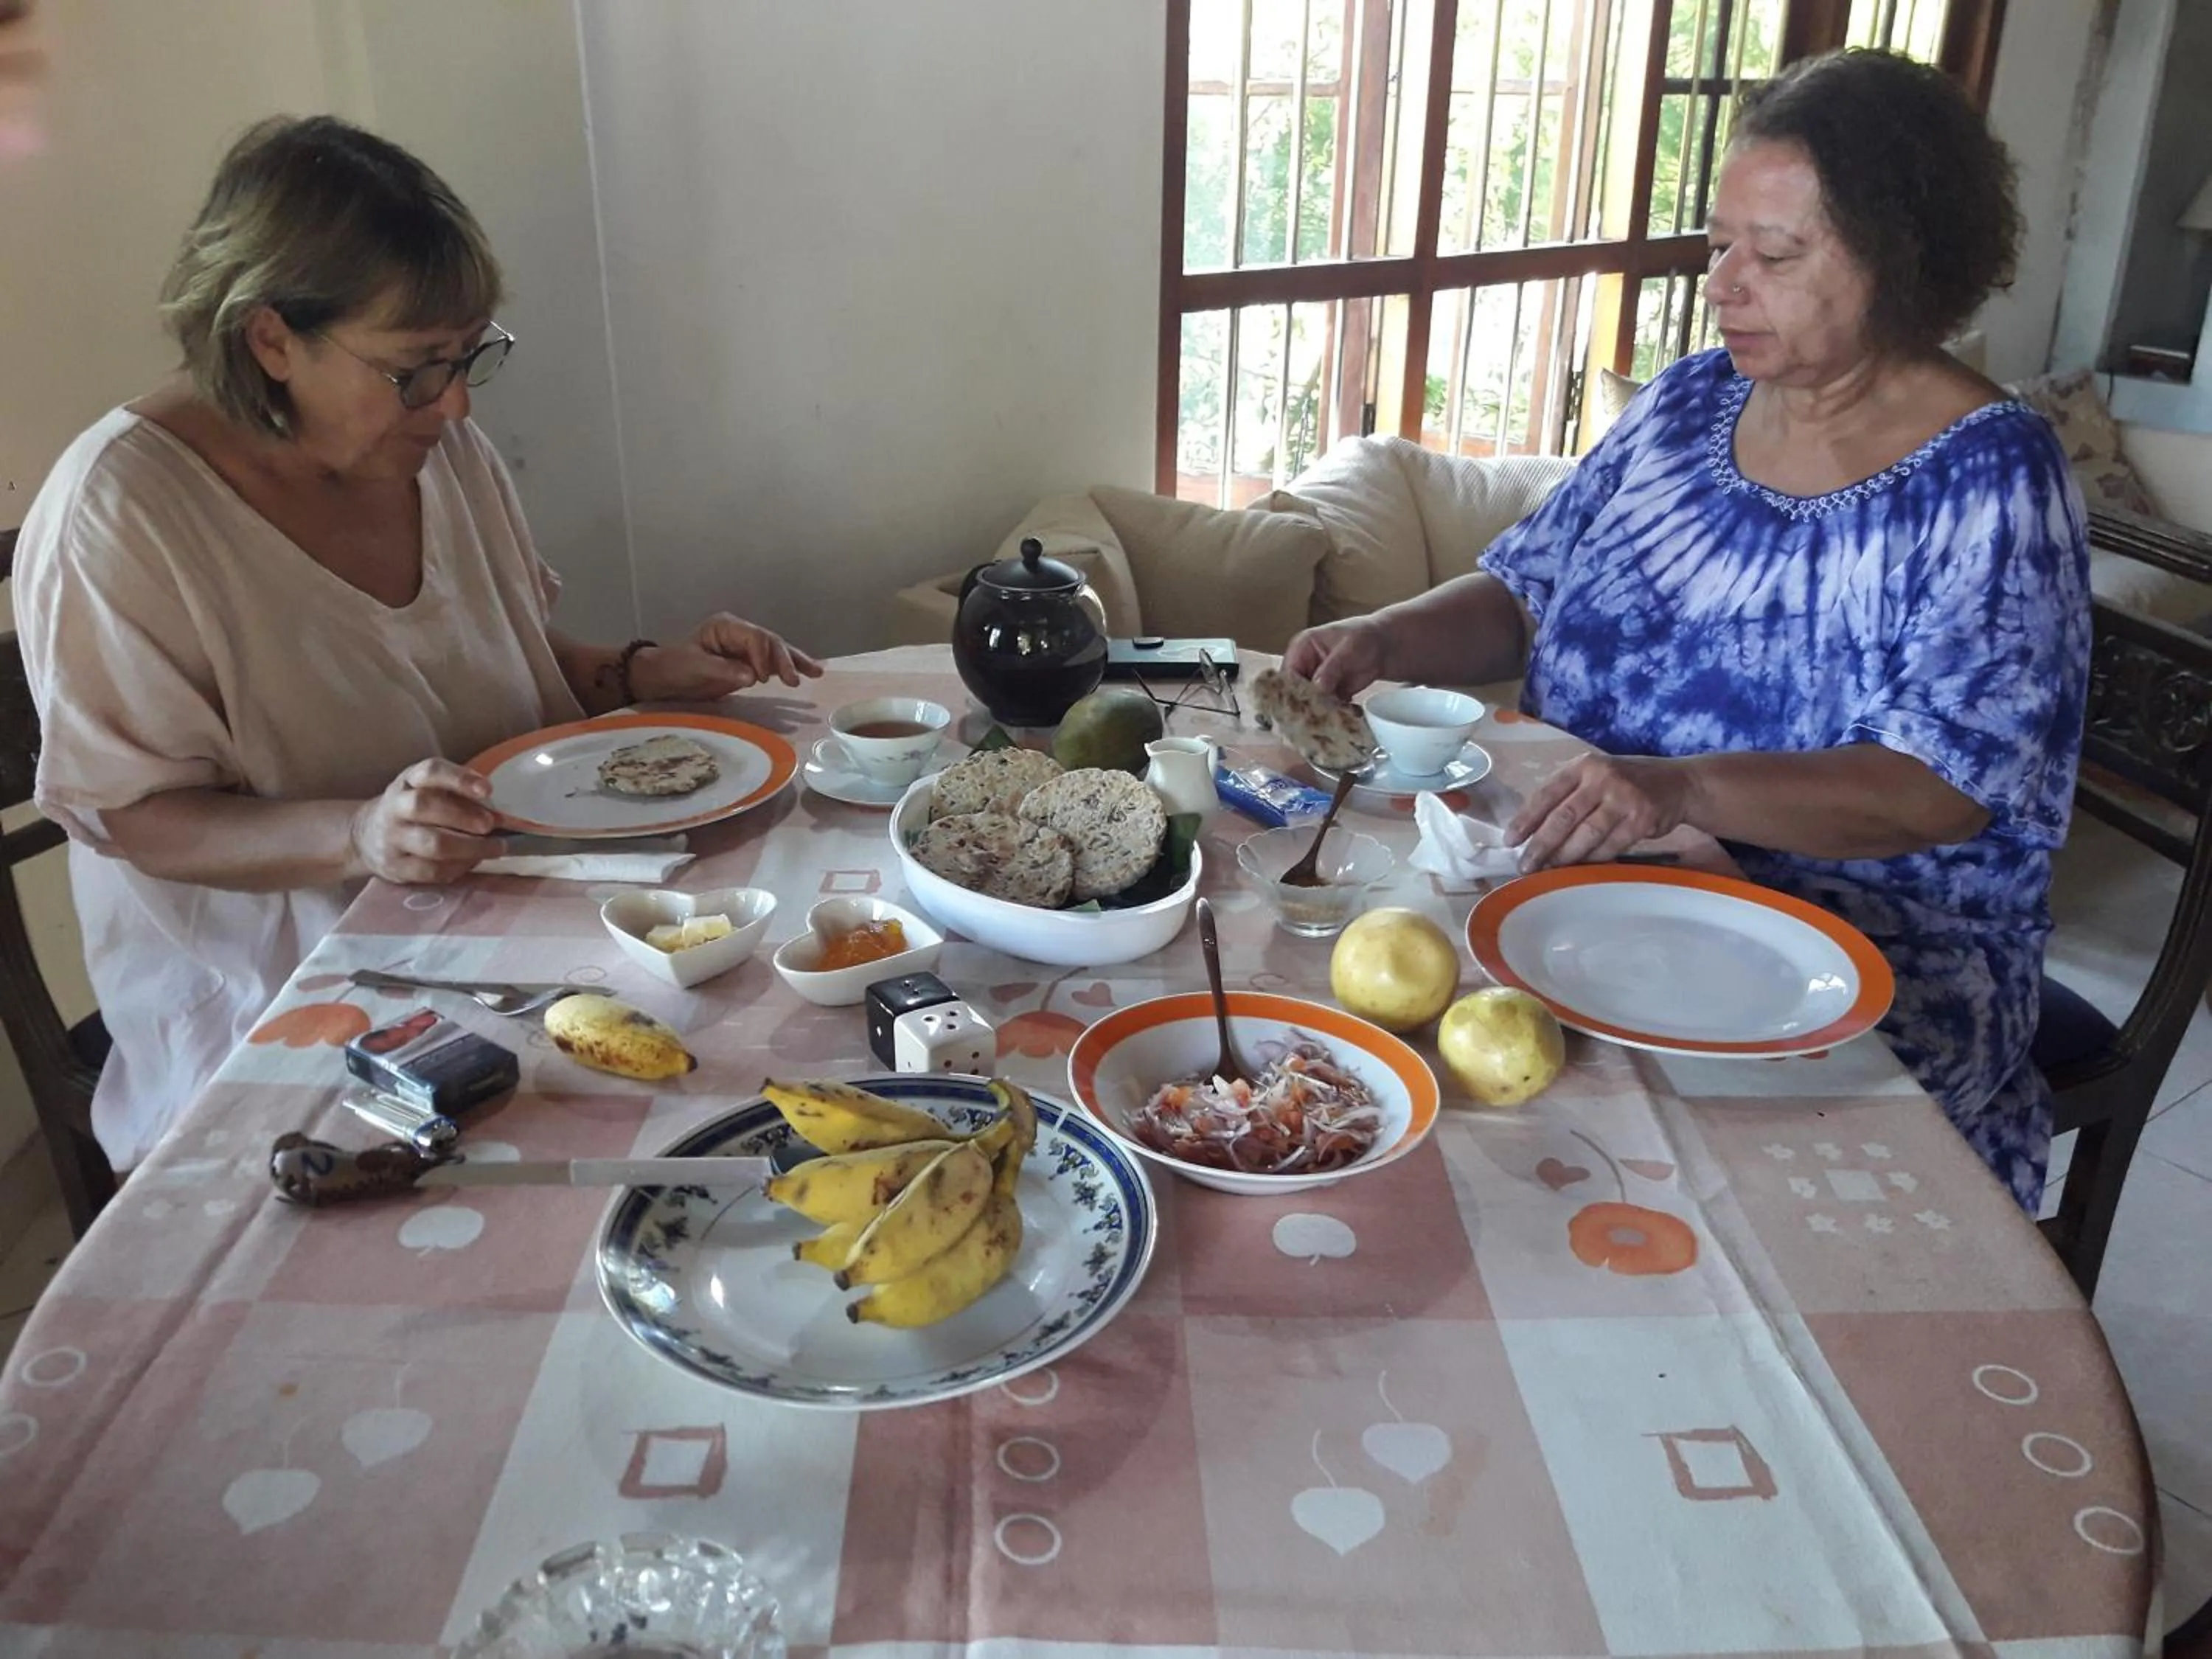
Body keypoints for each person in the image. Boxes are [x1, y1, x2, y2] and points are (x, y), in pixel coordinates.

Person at [1284, 49, 2090, 1213]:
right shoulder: (1689, 403)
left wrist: (1682, 788)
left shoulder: (1991, 480)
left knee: (1559, 1136)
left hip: (1860, 945)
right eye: (1719, 244)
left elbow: (1940, 790)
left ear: (1901, 259)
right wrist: (1387, 637)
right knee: (1385, 1050)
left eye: (1774, 254)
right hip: (1606, 881)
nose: (1724, 282)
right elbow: (1527, 590)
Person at [13, 116, 822, 1169]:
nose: (454, 401)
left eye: (467, 356)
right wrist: (360, 835)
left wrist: (643, 671)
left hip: (521, 932)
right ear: (271, 340)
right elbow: (134, 818)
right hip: (300, 1009)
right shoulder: (121, 514)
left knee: (766, 1075)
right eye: (413, 368)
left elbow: (504, 665)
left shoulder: (437, 445)